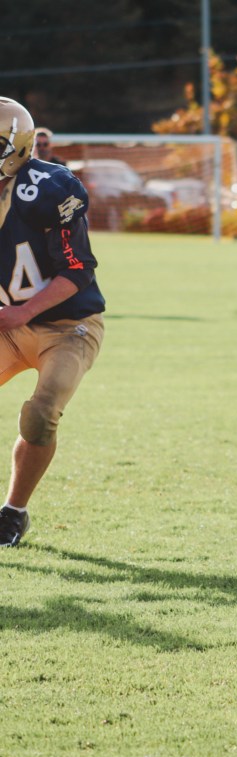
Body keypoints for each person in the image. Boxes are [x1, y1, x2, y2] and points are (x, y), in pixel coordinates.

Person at [0, 98, 105, 547]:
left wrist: (23, 312)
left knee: (41, 414)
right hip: (8, 324)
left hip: (67, 326)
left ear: (17, 146)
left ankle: (13, 513)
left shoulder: (49, 188)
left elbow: (77, 269)